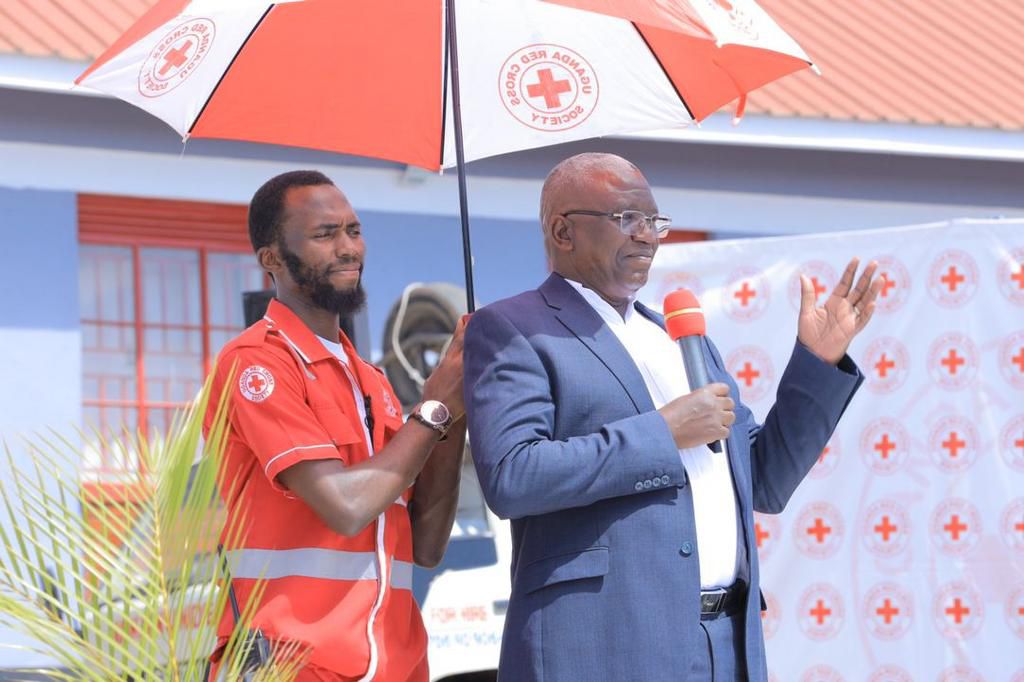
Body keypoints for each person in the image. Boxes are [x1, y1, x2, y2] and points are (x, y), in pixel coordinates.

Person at [463, 153, 881, 681]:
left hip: (724, 643)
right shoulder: (514, 328)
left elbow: (764, 480)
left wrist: (818, 364)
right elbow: (513, 476)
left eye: (654, 221)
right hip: (605, 644)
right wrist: (662, 432)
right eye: (625, 220)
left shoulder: (678, 336)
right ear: (562, 232)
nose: (647, 236)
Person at [203, 170, 466, 681]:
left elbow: (428, 547)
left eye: (353, 230)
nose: (348, 249)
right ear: (271, 259)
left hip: (397, 667)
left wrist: (455, 412)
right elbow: (345, 507)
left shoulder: (372, 381)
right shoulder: (257, 363)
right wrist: (433, 408)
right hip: (292, 667)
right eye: (325, 235)